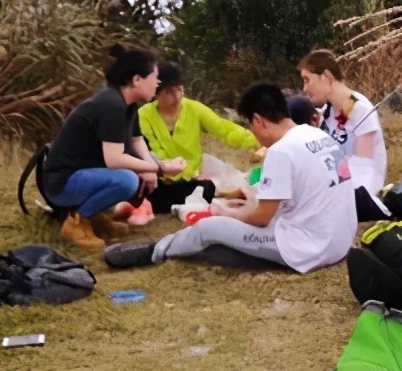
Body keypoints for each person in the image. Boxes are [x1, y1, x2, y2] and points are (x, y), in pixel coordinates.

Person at [104, 83, 357, 273]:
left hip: (312, 247)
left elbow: (260, 218)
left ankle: (154, 251)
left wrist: (224, 213)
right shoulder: (318, 136)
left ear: (258, 120)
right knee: (226, 237)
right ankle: (187, 247)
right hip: (340, 242)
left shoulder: (281, 151)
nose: (253, 133)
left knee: (207, 228)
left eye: (251, 126)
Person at [43, 46, 187, 251]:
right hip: (62, 184)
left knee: (142, 166)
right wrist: (160, 168)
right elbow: (114, 159)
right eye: (155, 77)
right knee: (127, 180)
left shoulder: (126, 104)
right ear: (137, 80)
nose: (158, 83)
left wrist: (151, 167)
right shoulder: (112, 106)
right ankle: (76, 222)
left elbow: (137, 141)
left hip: (84, 175)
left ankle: (93, 217)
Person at [137, 64, 261, 214]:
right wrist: (183, 173)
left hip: (191, 180)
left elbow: (223, 128)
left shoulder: (194, 108)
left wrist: (255, 139)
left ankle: (188, 200)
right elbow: (153, 151)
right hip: (160, 178)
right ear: (155, 94)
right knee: (144, 190)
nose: (177, 94)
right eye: (169, 91)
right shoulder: (144, 115)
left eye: (179, 88)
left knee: (206, 188)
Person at [298, 49, 389, 221]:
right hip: (336, 190)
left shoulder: (359, 108)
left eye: (307, 80)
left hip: (356, 196)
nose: (305, 88)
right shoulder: (330, 112)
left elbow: (365, 166)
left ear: (325, 76)